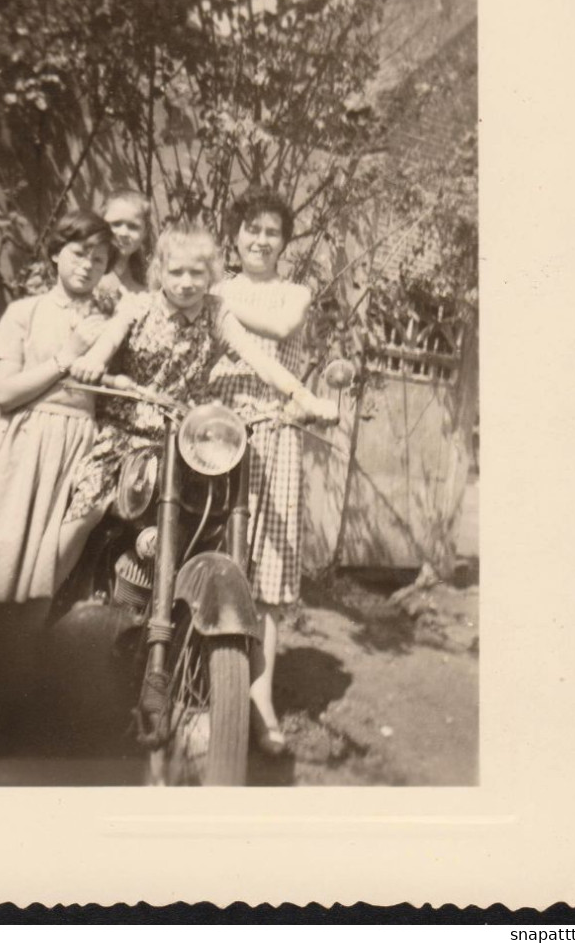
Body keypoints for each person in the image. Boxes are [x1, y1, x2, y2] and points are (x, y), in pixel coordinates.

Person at [52, 221, 337, 595]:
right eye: (176, 272)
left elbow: (260, 360)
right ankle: (40, 604)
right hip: (127, 434)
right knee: (84, 513)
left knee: (205, 524)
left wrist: (303, 396)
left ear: (211, 276)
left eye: (196, 273)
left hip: (182, 444)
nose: (186, 282)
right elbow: (106, 344)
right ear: (160, 272)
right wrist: (94, 360)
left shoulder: (216, 313)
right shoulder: (138, 307)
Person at [0, 211, 116, 603]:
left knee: (51, 560)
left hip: (77, 443)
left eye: (98, 259)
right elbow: (5, 392)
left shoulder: (106, 324)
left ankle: (27, 640)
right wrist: (65, 357)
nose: (87, 266)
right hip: (23, 440)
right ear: (55, 254)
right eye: (79, 253)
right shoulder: (24, 312)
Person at [208, 187, 319, 757]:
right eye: (250, 228)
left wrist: (218, 303)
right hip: (216, 437)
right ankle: (206, 693)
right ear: (234, 234)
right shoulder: (209, 285)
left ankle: (260, 700)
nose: (260, 239)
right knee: (212, 561)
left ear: (284, 241)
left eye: (272, 231)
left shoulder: (294, 293)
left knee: (268, 581)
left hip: (274, 437)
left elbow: (276, 332)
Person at [95, 189, 152, 308]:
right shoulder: (88, 275)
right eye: (115, 224)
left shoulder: (147, 283)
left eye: (133, 227)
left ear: (145, 232)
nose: (123, 233)